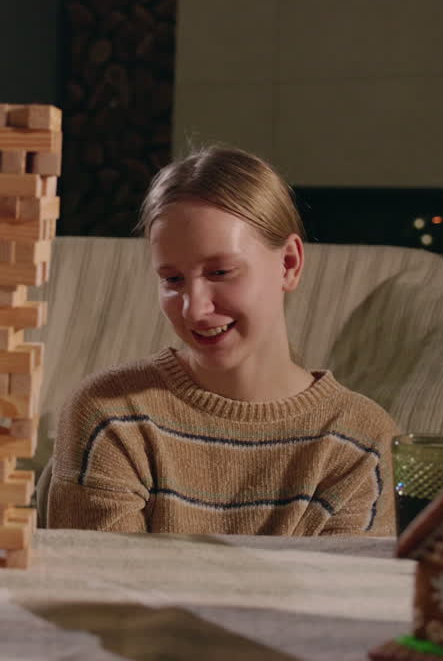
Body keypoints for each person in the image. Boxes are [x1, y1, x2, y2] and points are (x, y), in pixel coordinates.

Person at [46, 146, 399, 536]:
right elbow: (102, 590)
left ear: (289, 264)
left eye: (220, 271)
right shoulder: (110, 415)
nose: (194, 310)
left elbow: (343, 596)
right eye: (172, 280)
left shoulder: (362, 443)